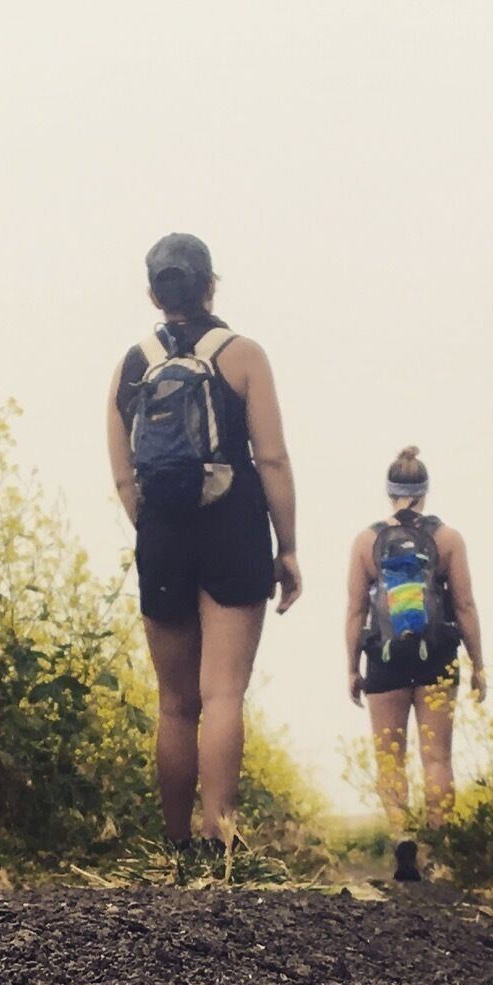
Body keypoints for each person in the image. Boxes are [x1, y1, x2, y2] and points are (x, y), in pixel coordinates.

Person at [107, 232, 302, 860]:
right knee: (222, 693)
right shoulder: (243, 356)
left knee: (174, 702)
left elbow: (121, 473)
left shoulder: (130, 366)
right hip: (234, 526)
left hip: (161, 530)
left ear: (152, 293)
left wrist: (154, 526)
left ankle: (173, 843)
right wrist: (288, 545)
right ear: (211, 284)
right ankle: (220, 838)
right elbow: (270, 457)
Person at [345, 446, 485, 882]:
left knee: (391, 759)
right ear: (424, 492)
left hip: (384, 662)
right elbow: (463, 605)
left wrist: (351, 667)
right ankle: (440, 855)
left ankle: (403, 835)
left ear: (390, 492)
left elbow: (354, 611)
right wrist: (478, 663)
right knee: (437, 759)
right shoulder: (447, 540)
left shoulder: (366, 542)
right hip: (436, 656)